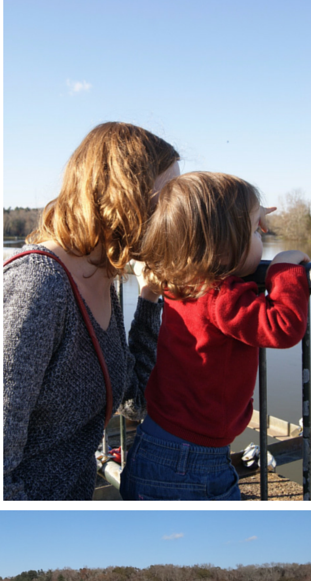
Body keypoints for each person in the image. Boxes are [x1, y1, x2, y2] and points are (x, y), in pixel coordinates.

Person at [4, 122, 180, 500]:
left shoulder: (103, 276)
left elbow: (134, 401)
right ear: (126, 196)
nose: (176, 215)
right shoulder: (39, 286)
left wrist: (149, 300)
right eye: (168, 199)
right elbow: (1, 460)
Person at [120, 172, 310, 500]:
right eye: (253, 230)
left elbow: (200, 221)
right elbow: (282, 327)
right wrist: (284, 268)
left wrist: (250, 215)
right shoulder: (222, 296)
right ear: (223, 245)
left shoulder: (181, 278)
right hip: (190, 462)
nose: (261, 236)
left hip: (156, 443)